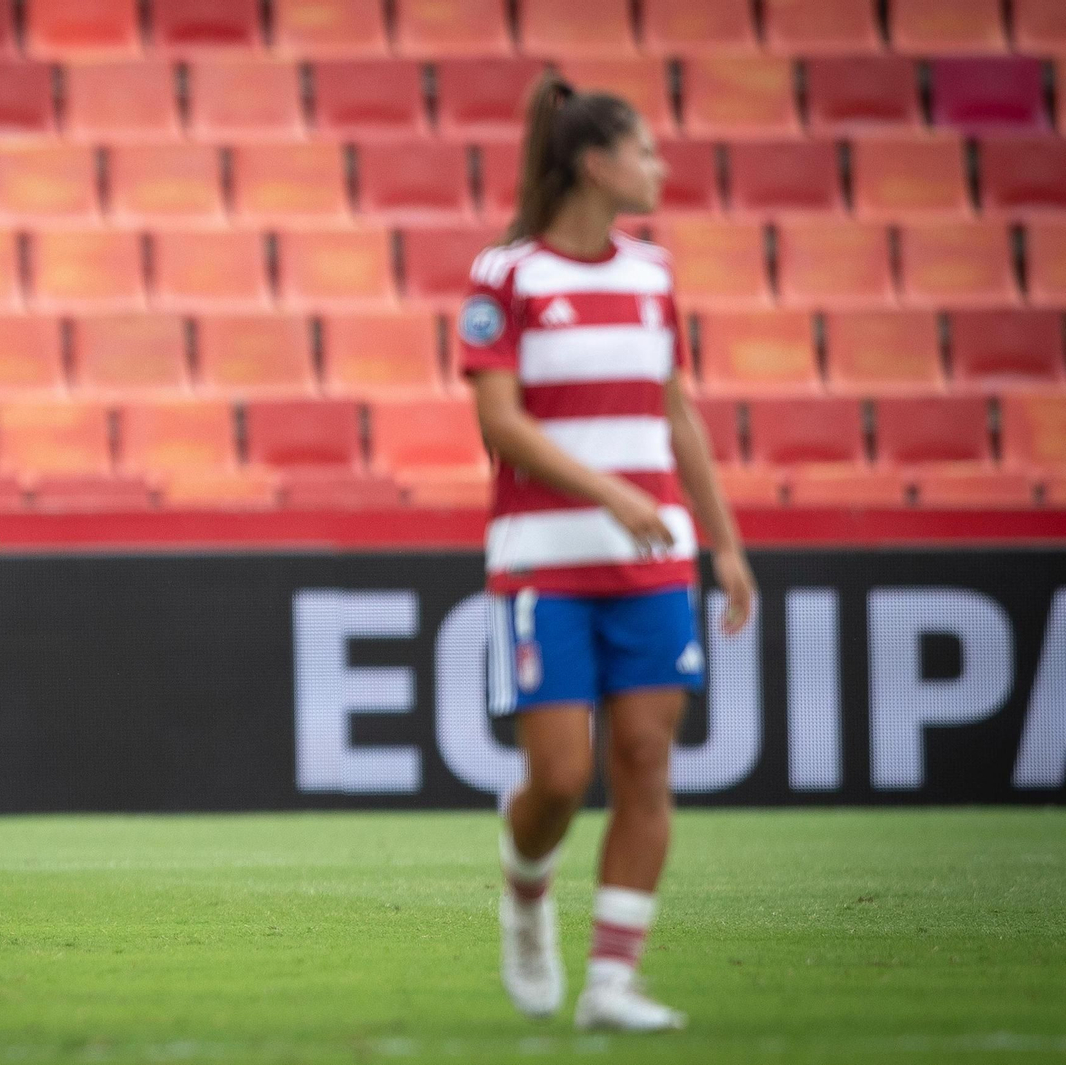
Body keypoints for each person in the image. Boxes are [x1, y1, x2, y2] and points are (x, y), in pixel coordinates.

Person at [458, 74, 756, 1031]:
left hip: (654, 564)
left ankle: (613, 983)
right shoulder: (506, 277)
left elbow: (677, 413)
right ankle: (525, 894)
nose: (660, 167)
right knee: (558, 777)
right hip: (543, 562)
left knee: (644, 759)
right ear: (595, 164)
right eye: (644, 151)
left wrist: (725, 544)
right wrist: (610, 491)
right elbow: (500, 423)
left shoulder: (652, 275)